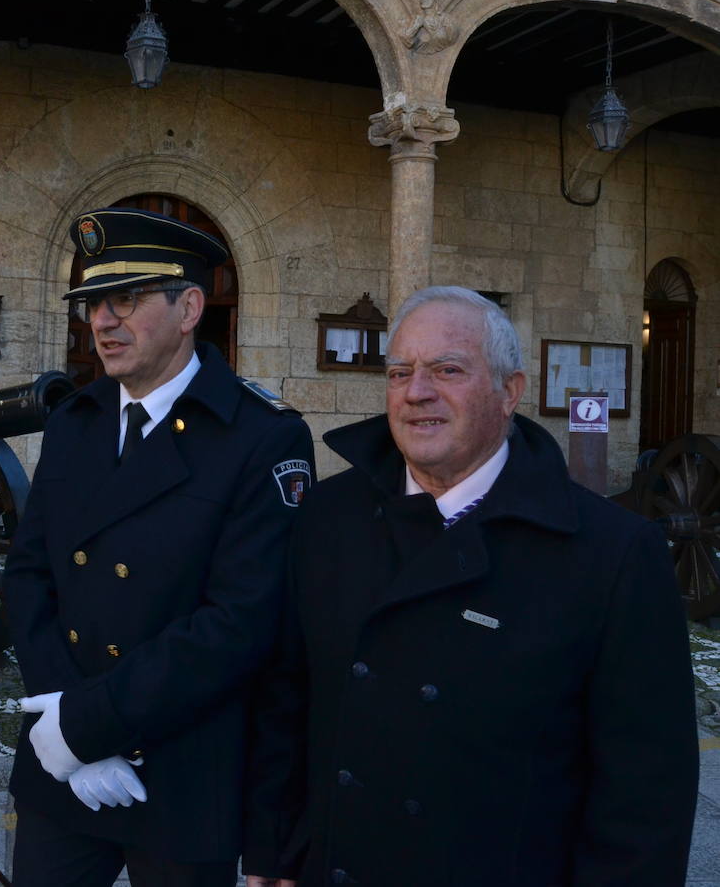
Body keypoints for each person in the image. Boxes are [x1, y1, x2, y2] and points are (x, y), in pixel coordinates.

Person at [245, 285, 699, 886]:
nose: (416, 393)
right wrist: (275, 850)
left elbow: (646, 790)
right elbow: (286, 695)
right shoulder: (328, 517)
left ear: (510, 391)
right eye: (399, 372)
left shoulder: (611, 553)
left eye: (447, 370)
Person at [5, 207, 315, 887]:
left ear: (190, 307)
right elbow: (28, 578)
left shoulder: (260, 437)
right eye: (93, 303)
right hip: (64, 765)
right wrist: (66, 731)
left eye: (126, 300)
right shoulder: (75, 424)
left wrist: (91, 724)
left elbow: (240, 623)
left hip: (181, 772)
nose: (103, 322)